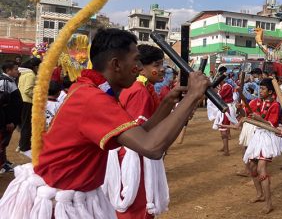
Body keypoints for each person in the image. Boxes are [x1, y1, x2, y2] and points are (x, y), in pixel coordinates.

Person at [0, 28, 210, 217]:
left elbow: (137, 134)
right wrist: (191, 97)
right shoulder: (93, 99)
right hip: (59, 204)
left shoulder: (90, 90)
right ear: (116, 64)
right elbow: (151, 147)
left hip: (73, 194)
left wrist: (166, 105)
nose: (138, 67)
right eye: (136, 60)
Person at [103, 44, 170, 218]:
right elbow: (139, 133)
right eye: (156, 65)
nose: (162, 69)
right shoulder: (139, 91)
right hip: (133, 159)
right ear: (141, 67)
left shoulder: (141, 88)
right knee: (137, 210)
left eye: (162, 64)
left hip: (132, 155)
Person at [243, 78, 282, 214]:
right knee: (251, 166)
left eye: (263, 89)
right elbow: (249, 114)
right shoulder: (257, 102)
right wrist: (243, 110)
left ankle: (269, 204)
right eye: (260, 88)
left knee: (262, 169)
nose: (260, 91)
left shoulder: (275, 105)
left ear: (270, 91)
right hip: (257, 136)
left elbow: (272, 124)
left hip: (267, 138)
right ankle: (259, 195)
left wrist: (259, 118)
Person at [207, 66, 237, 156]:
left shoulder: (227, 87)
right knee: (223, 128)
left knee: (223, 128)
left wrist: (213, 89)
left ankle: (226, 150)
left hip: (226, 108)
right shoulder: (223, 86)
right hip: (224, 108)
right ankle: (225, 147)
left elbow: (220, 96)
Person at [0, 60, 22, 172]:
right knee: (2, 142)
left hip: (10, 119)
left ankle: (4, 161)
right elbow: (3, 104)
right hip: (7, 120)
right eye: (15, 69)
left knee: (4, 142)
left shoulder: (10, 80)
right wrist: (9, 121)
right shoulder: (5, 82)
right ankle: (2, 164)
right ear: (8, 71)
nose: (17, 71)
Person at [18, 57, 41, 158]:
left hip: (22, 101)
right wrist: (37, 96)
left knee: (24, 124)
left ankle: (22, 145)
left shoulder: (24, 74)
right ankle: (24, 147)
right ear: (35, 67)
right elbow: (28, 90)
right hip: (27, 102)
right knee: (27, 125)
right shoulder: (31, 74)